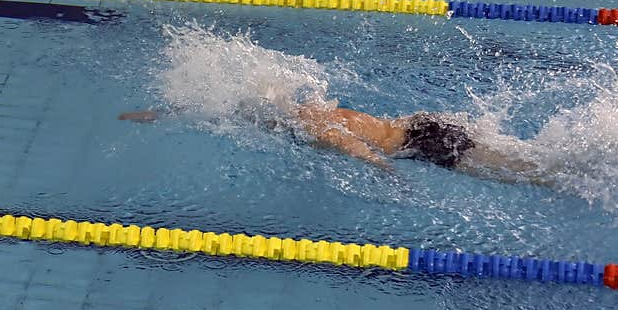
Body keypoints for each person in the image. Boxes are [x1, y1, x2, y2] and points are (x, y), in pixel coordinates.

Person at [119, 101, 546, 184]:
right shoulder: (310, 107)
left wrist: (386, 172)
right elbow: (225, 111)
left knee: (524, 174)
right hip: (421, 121)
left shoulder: (312, 127)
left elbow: (353, 147)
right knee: (514, 153)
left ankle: (568, 179)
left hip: (423, 143)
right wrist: (155, 114)